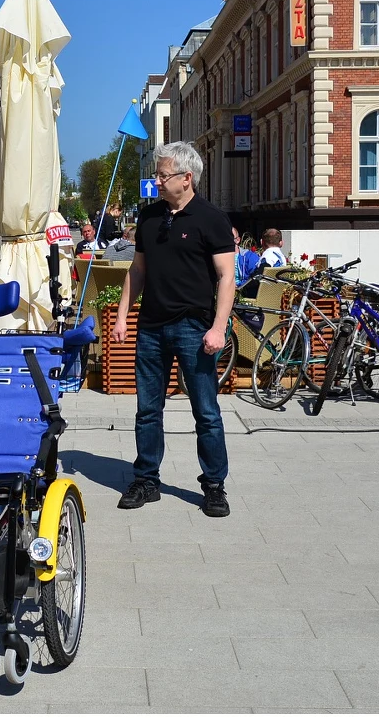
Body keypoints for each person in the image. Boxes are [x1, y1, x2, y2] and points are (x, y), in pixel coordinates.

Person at [111, 141, 235, 518]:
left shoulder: (211, 218)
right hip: (151, 327)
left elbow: (227, 276)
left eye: (163, 175)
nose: (157, 181)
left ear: (186, 177)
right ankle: (147, 479)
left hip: (194, 329)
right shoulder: (149, 218)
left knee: (206, 412)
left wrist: (218, 328)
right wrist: (121, 315)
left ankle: (214, 485)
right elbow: (137, 270)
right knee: (147, 410)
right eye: (157, 174)